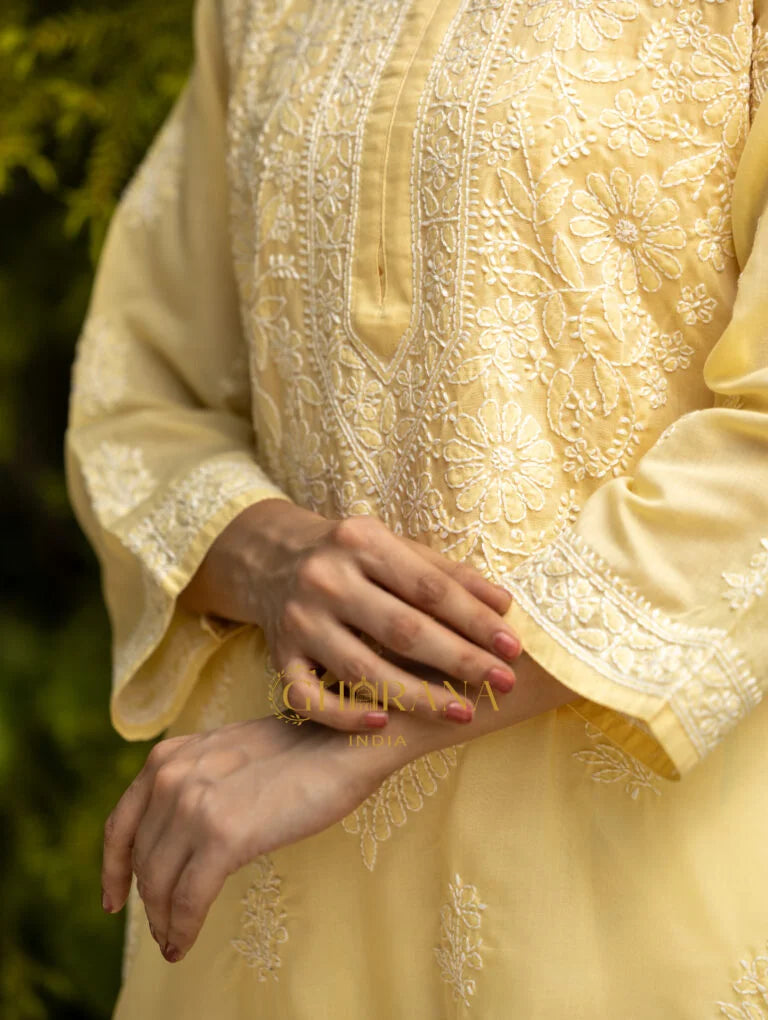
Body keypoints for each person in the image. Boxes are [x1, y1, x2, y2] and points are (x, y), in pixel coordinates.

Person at [65, 0, 768, 1015]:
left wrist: (370, 732)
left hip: (626, 901)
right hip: (270, 903)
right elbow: (135, 392)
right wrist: (268, 557)